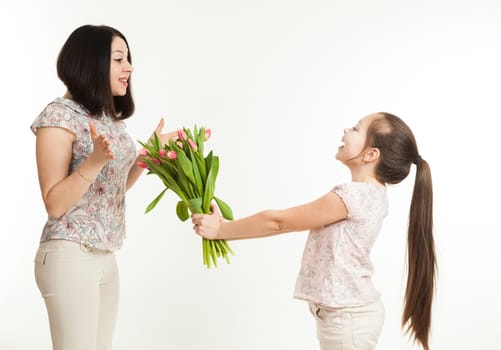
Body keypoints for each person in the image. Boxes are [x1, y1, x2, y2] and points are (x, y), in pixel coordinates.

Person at [191, 112, 436, 350]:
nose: (346, 130)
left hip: (346, 321)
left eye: (356, 128)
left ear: (371, 154)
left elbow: (279, 222)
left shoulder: (354, 196)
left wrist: (222, 230)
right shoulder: (372, 195)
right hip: (348, 318)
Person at [31, 24, 176, 350]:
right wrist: (94, 161)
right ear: (92, 62)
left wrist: (150, 154)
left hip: (105, 255)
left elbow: (112, 189)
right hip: (69, 254)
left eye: (129, 58)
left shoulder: (107, 119)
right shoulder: (59, 116)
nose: (129, 68)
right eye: (119, 59)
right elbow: (54, 204)